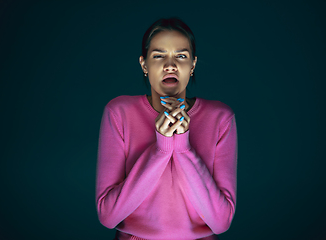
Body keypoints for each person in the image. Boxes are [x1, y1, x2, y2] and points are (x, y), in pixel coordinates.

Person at [96, 17, 238, 240]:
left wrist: (182, 147)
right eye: (159, 55)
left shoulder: (220, 118)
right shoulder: (118, 113)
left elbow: (221, 222)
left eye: (180, 56)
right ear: (144, 65)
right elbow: (108, 216)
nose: (170, 65)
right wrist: (161, 148)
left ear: (193, 65)